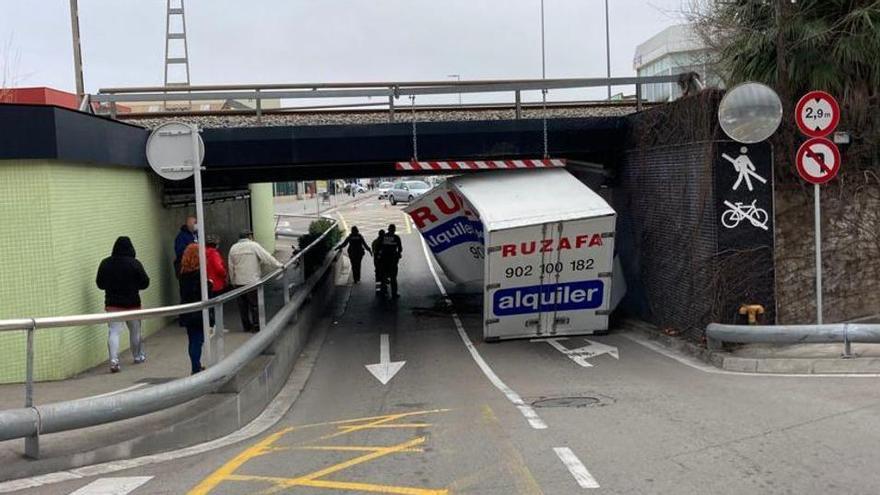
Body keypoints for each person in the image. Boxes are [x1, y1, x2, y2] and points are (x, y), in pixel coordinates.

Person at [96, 236, 150, 373]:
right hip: (133, 304)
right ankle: (137, 356)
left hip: (113, 305)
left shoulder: (105, 263)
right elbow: (145, 283)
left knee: (113, 332)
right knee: (135, 331)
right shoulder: (134, 263)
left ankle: (114, 361)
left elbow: (100, 284)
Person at [228, 230, 283, 332]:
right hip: (252, 281)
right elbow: (267, 257)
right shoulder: (253, 245)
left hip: (239, 282)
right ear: (249, 236)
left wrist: (232, 281)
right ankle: (256, 326)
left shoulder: (233, 248)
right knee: (254, 305)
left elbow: (231, 267)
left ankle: (246, 327)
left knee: (243, 306)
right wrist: (279, 265)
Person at [179, 244, 211, 374]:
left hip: (187, 310)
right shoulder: (200, 275)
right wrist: (209, 284)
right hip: (198, 311)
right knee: (198, 340)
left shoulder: (183, 274)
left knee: (192, 339)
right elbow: (203, 292)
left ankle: (195, 365)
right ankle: (196, 367)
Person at [378, 224, 403, 298]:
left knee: (383, 276)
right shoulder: (396, 238)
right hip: (393, 260)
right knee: (393, 277)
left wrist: (379, 257)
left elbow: (379, 247)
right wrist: (398, 254)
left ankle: (383, 292)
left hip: (384, 260)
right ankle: (394, 293)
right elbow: (400, 249)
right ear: (394, 230)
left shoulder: (384, 237)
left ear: (388, 229)